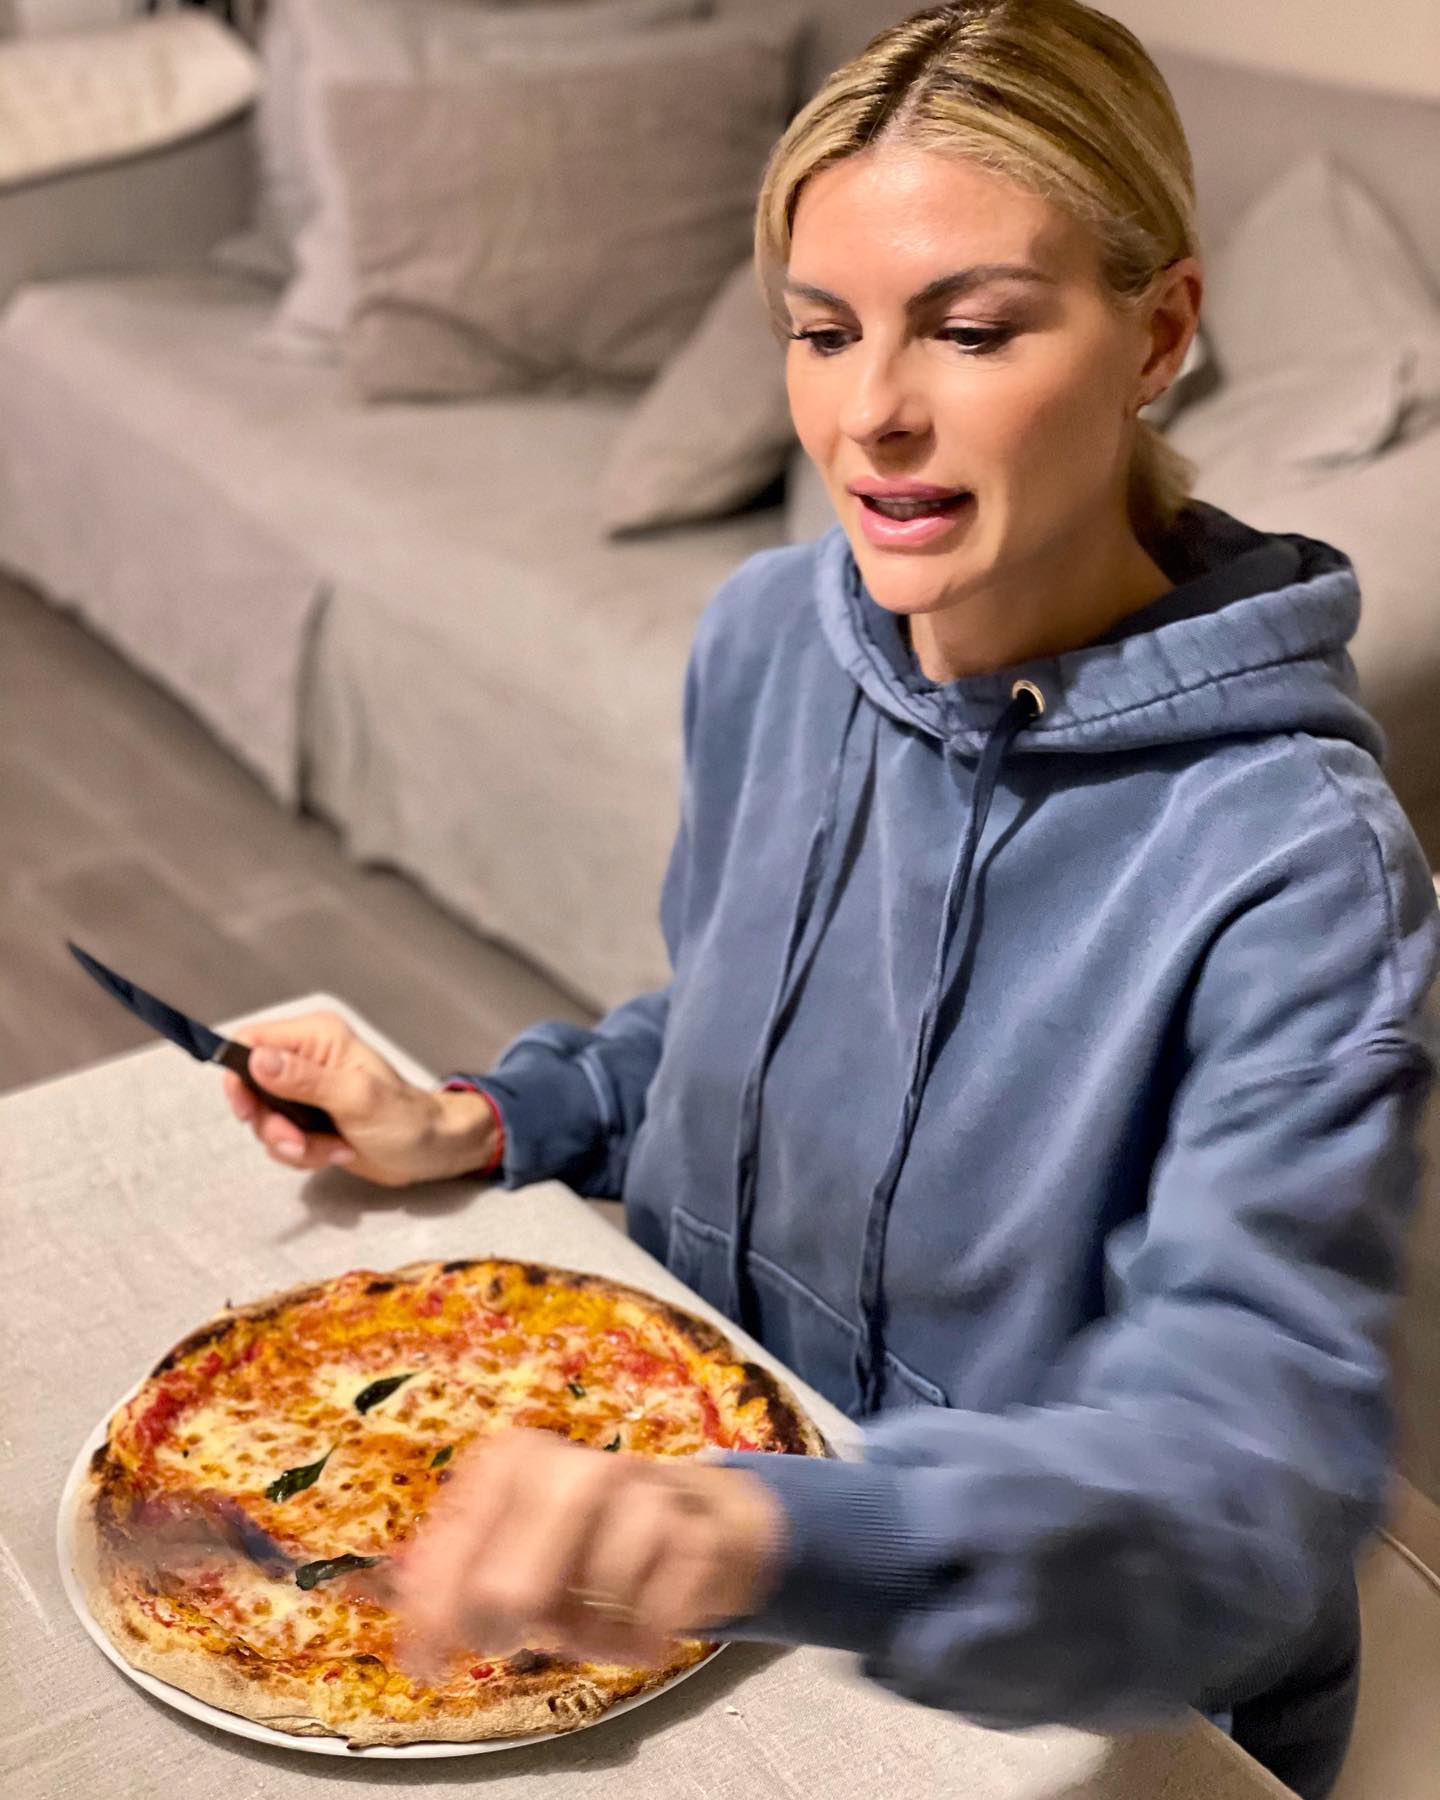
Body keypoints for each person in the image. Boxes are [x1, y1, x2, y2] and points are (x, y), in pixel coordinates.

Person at [223, 4, 1440, 1795]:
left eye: (970, 327)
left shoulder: (1301, 869)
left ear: (1159, 331)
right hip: (715, 1528)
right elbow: (720, 1042)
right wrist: (484, 1113)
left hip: (1076, 1687)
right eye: (821, 329)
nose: (871, 413)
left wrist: (768, 1537)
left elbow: (1245, 1489)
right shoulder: (769, 639)